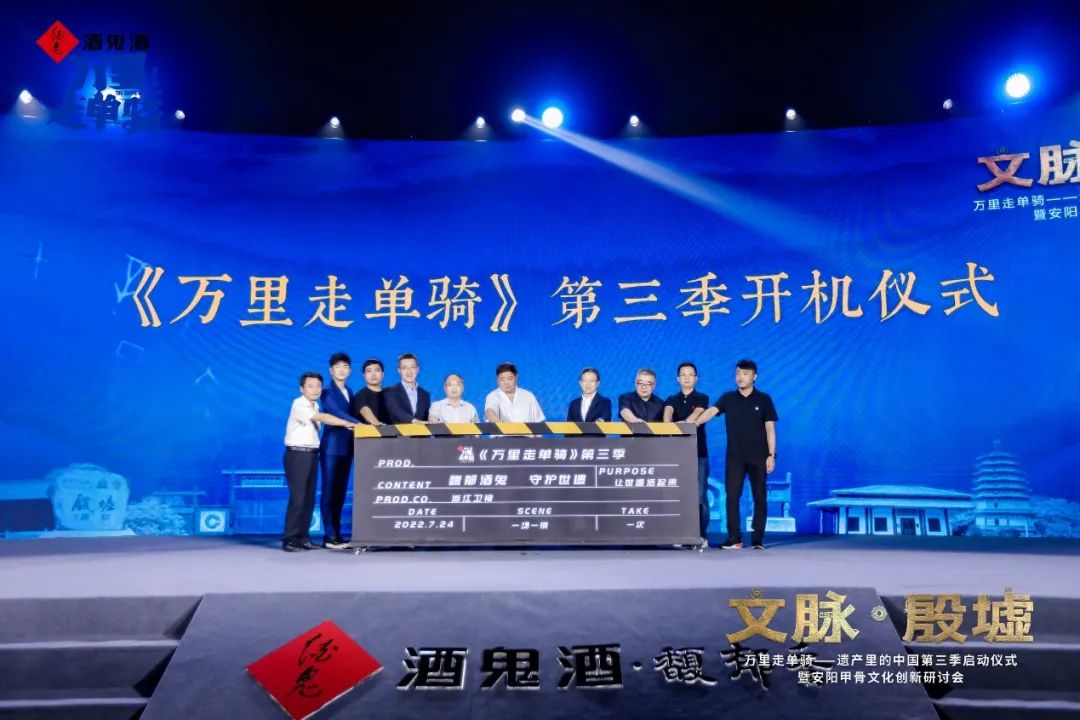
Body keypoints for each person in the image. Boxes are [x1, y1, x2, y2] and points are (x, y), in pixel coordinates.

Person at [695, 359, 778, 550]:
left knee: (759, 496)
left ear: (754, 376)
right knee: (732, 496)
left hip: (759, 456)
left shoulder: (764, 399)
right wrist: (695, 423)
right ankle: (734, 538)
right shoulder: (728, 398)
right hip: (735, 457)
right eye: (738, 373)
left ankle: (757, 539)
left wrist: (771, 455)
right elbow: (711, 411)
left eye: (745, 374)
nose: (740, 377)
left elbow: (770, 429)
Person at [282, 372, 355, 552]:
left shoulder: (314, 404)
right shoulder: (299, 404)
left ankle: (303, 538)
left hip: (312, 454)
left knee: (308, 499)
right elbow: (322, 417)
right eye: (310, 386)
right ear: (302, 389)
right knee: (298, 498)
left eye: (318, 386)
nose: (315, 389)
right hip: (298, 454)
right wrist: (346, 423)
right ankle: (290, 539)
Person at [663, 362, 711, 542]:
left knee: (700, 496)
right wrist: (668, 424)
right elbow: (668, 414)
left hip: (698, 454)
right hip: (677, 454)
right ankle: (679, 533)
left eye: (690, 375)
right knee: (678, 495)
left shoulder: (702, 398)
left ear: (696, 378)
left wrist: (681, 426)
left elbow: (697, 414)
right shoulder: (671, 399)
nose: (687, 378)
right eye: (683, 374)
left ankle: (701, 535)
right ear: (678, 379)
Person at [319, 353, 360, 550]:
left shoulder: (349, 391)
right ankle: (329, 535)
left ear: (350, 371)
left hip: (347, 448)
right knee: (329, 490)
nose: (341, 370)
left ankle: (337, 533)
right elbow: (338, 413)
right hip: (331, 448)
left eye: (345, 366)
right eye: (337, 366)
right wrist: (362, 425)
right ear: (331, 370)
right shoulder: (326, 392)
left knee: (340, 491)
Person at [382, 353, 431, 424]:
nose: (409, 371)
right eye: (404, 368)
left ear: (417, 369)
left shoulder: (425, 395)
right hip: (395, 431)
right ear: (399, 371)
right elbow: (395, 410)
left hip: (420, 431)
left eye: (412, 367)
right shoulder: (388, 392)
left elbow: (426, 418)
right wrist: (414, 421)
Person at [350, 358, 388, 425]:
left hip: (392, 431)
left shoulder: (389, 395)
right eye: (369, 371)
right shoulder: (359, 396)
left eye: (377, 370)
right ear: (364, 376)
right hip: (370, 431)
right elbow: (365, 410)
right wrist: (378, 424)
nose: (373, 374)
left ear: (383, 374)